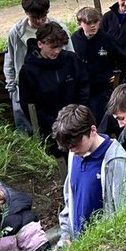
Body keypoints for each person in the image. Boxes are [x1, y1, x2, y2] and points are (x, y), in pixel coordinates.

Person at [52, 105, 126, 246]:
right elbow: (71, 199)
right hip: (80, 247)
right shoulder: (73, 154)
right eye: (69, 147)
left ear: (93, 130)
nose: (73, 149)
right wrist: (65, 235)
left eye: (76, 144)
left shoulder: (115, 161)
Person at [3, 0, 71, 136]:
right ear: (27, 13)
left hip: (53, 85)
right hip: (25, 86)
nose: (40, 21)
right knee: (26, 128)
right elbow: (10, 59)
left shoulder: (59, 28)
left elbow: (71, 55)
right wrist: (11, 86)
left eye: (43, 17)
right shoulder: (16, 33)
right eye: (35, 18)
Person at [17, 22, 89, 156]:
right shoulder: (28, 71)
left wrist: (77, 113)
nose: (57, 51)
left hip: (77, 120)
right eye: (53, 47)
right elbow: (28, 104)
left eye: (60, 47)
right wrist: (54, 122)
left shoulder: (71, 59)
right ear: (40, 44)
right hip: (50, 128)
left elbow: (83, 85)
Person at [71, 6, 126, 124]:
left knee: (99, 119)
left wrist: (115, 76)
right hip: (80, 87)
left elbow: (122, 59)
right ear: (80, 23)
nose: (93, 26)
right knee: (80, 119)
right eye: (88, 23)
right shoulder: (74, 39)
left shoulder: (107, 39)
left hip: (100, 87)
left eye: (95, 22)